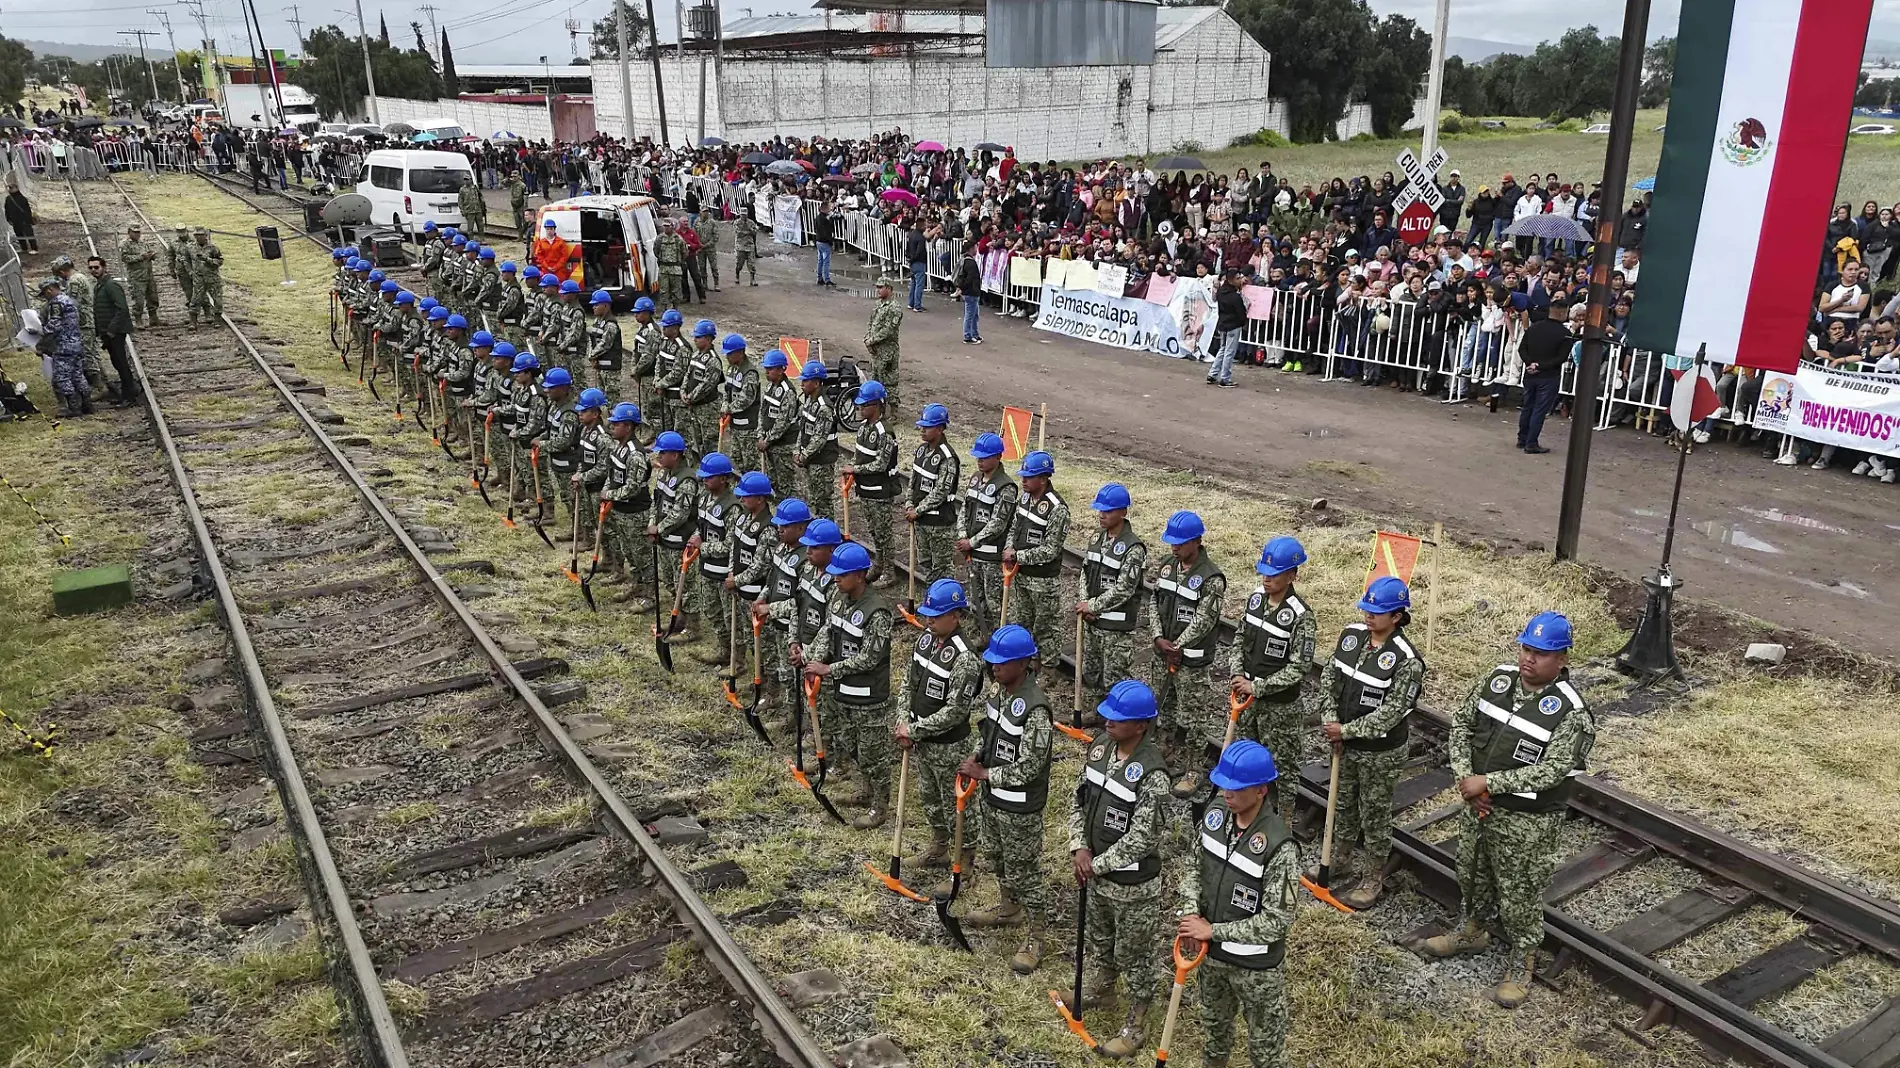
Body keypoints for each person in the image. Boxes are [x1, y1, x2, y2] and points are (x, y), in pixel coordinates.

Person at [1422, 611, 1595, 1008]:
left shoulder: (1571, 711)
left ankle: (1522, 960)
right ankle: (1472, 930)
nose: (1529, 659)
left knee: (1519, 893)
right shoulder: (1495, 680)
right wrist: (1468, 781)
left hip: (1528, 821)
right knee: (1470, 871)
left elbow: (1553, 770)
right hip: (1478, 806)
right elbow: (1462, 726)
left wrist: (1491, 784)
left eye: (1541, 653)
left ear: (1563, 659)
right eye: (1526, 649)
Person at [1177, 740, 1300, 1068]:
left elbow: (1278, 920)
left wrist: (1211, 930)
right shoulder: (1215, 815)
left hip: (1256, 969)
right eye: (1223, 785)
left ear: (1261, 790)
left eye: (1236, 788)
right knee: (1215, 1032)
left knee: (1266, 1048)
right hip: (1212, 959)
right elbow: (1193, 865)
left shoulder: (1281, 848)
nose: (1227, 793)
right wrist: (1190, 913)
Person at [1065, 679, 1170, 1058]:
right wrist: (1079, 847)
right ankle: (1103, 990)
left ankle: (1136, 1021)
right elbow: (1078, 800)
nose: (1108, 722)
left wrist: (1098, 864)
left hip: (1132, 884)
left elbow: (1144, 837)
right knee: (1101, 939)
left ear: (1141, 726)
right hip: (1095, 874)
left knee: (1135, 954)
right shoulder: (1099, 750)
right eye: (1108, 716)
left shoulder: (1153, 774)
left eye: (1118, 719)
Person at [1316, 576, 1425, 909]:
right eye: (1367, 609)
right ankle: (1341, 860)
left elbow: (1393, 713)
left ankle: (1373, 877)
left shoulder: (1407, 659)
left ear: (1397, 617)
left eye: (1378, 612)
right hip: (1345, 744)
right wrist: (1330, 720)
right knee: (1344, 805)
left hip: (1380, 753)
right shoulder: (1351, 637)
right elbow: (1329, 680)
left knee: (1375, 815)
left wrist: (1344, 731)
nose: (1369, 616)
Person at [958, 623, 1055, 974]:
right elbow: (990, 734)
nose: (994, 667)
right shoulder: (999, 695)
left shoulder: (1036, 710)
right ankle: (1008, 908)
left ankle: (1037, 934)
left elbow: (1031, 766)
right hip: (993, 799)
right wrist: (976, 758)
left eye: (1002, 662)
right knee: (998, 859)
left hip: (1020, 807)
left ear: (1024, 664)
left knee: (1024, 871)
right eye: (992, 662)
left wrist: (987, 774)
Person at [804, 540, 897, 830]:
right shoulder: (839, 600)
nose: (836, 578)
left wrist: (829, 669)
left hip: (869, 698)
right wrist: (812, 660)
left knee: (874, 755)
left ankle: (880, 806)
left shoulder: (878, 612)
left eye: (842, 574)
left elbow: (870, 658)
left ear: (859, 575)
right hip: (843, 692)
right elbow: (827, 633)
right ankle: (865, 792)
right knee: (851, 745)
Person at [899, 577, 984, 871]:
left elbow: (955, 712)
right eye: (927, 615)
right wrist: (904, 721)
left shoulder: (965, 658)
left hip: (950, 749)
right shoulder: (925, 639)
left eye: (936, 617)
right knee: (930, 799)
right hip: (922, 741)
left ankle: (966, 862)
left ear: (955, 616)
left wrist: (914, 729)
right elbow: (907, 685)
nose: (929, 621)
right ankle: (938, 848)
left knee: (957, 808)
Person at [1229, 537, 1315, 826]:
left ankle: (1285, 821)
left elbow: (1299, 668)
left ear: (1292, 576)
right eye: (1264, 572)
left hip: (1280, 709)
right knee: (1246, 758)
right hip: (1248, 701)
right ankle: (1251, 810)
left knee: (1284, 768)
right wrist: (1237, 673)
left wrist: (1258, 687)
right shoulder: (1255, 600)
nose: (1267, 579)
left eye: (1275, 574)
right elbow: (1239, 637)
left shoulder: (1301, 617)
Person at [1147, 510, 1226, 797]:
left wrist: (1177, 646)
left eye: (1180, 542)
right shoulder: (1168, 566)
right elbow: (1153, 603)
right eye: (1172, 541)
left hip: (1191, 662)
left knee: (1194, 719)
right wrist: (1158, 638)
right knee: (1163, 706)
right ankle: (1163, 750)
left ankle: (1195, 769)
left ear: (1197, 541)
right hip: (1163, 653)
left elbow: (1204, 620)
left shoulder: (1212, 579)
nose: (1174, 546)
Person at [1076, 483, 1146, 716]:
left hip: (1116, 627)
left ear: (1123, 512)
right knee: (1092, 670)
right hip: (1093, 621)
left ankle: (1118, 717)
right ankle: (1097, 713)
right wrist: (1085, 603)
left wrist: (1093, 605)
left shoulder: (1133, 548)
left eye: (1109, 510)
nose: (1102, 514)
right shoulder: (1097, 538)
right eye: (1100, 510)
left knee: (1115, 677)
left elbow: (1125, 588)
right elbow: (1085, 572)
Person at [751, 498, 817, 730]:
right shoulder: (781, 548)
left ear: (801, 528)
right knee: (781, 671)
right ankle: (785, 711)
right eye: (779, 525)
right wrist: (763, 596)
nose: (780, 529)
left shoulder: (806, 560)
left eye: (785, 526)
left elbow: (801, 602)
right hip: (776, 624)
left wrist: (771, 609)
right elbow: (773, 578)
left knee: (793, 677)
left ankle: (796, 720)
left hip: (792, 627)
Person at [1003, 449, 1070, 672]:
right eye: (1023, 476)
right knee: (1022, 622)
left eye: (1028, 477)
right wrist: (1009, 548)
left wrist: (1018, 556)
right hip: (1021, 575)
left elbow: (1050, 550)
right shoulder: (1024, 499)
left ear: (1043, 479)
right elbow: (1014, 526)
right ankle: (1029, 661)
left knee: (1046, 627)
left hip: (1043, 581)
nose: (1023, 480)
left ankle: (1050, 668)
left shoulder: (1057, 509)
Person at [957, 432, 1018, 646]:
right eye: (978, 457)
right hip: (972, 554)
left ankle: (1001, 642)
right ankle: (981, 635)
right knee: (976, 599)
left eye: (985, 457)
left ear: (998, 457)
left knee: (995, 604)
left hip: (991, 557)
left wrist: (971, 542)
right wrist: (962, 535)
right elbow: (965, 508)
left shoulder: (1006, 487)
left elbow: (998, 523)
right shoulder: (975, 478)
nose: (980, 460)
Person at [597, 401, 656, 607]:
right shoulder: (617, 447)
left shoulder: (636, 455)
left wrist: (610, 494)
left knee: (642, 556)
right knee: (628, 552)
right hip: (619, 509)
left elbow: (633, 487)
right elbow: (612, 475)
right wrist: (608, 493)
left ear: (629, 427)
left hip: (635, 512)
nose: (611, 426)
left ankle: (650, 595)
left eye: (616, 424)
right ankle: (636, 584)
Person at [648, 430, 706, 640]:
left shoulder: (687, 480)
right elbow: (658, 501)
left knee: (687, 586)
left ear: (675, 455)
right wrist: (653, 524)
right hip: (665, 540)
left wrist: (660, 528)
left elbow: (680, 513)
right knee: (671, 583)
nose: (659, 457)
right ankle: (678, 619)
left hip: (681, 540)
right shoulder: (664, 474)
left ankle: (692, 629)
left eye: (662, 453)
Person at [844, 380, 900, 588]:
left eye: (864, 405)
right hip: (865, 489)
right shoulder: (863, 428)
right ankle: (878, 564)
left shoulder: (885, 432)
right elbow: (861, 457)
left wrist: (855, 470)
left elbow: (880, 464)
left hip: (880, 491)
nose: (860, 409)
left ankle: (888, 571)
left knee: (884, 533)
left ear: (876, 406)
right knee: (874, 531)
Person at [690, 451, 741, 670]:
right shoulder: (703, 497)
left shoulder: (733, 507)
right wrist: (696, 538)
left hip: (724, 571)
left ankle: (737, 660)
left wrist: (704, 547)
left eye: (709, 477)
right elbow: (701, 526)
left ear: (723, 479)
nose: (704, 480)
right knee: (712, 611)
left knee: (732, 619)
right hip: (706, 568)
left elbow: (731, 545)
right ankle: (723, 650)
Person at [907, 403, 961, 590]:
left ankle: (945, 600)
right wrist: (908, 504)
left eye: (927, 427)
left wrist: (917, 510)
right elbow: (913, 481)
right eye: (922, 426)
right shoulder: (921, 450)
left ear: (939, 429)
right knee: (926, 562)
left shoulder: (948, 457)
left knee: (942, 568)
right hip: (921, 521)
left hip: (940, 524)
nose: (922, 430)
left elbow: (940, 492)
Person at [1516, 301, 1570, 454]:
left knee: (1527, 406)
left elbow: (1522, 349)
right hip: (1548, 375)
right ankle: (1531, 442)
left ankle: (1522, 438)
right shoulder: (1564, 334)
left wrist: (1530, 364)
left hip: (1530, 373)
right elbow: (1561, 358)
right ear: (1562, 313)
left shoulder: (1534, 328)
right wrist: (1539, 366)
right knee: (1539, 410)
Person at [508, 355, 554, 520]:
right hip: (523, 440)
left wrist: (518, 433)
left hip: (535, 441)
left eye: (519, 373)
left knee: (540, 478)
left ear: (528, 374)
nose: (515, 376)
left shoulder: (536, 395)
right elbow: (520, 413)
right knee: (528, 474)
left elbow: (535, 423)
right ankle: (534, 502)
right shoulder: (522, 390)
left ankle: (548, 511)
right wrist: (516, 429)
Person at [53, 255, 105, 401]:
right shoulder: (79, 277)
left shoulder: (74, 281)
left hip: (83, 322)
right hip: (85, 320)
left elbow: (72, 302)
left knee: (88, 354)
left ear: (62, 271)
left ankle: (99, 387)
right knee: (92, 352)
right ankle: (104, 383)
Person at [793, 361, 840, 520]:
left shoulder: (824, 408)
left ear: (817, 383)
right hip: (810, 460)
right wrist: (797, 451)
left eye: (806, 381)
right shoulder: (808, 401)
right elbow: (803, 428)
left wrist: (803, 456)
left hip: (822, 462)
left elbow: (819, 438)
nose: (802, 384)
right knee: (810, 499)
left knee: (822, 503)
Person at [37, 276, 90, 416]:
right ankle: (87, 403)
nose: (45, 297)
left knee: (62, 377)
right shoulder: (69, 300)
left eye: (44, 294)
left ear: (49, 290)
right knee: (78, 375)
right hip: (76, 343)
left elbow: (55, 325)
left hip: (63, 346)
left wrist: (40, 338)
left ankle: (73, 407)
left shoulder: (56, 303)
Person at [88, 256, 136, 406]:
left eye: (96, 267)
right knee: (117, 362)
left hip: (115, 332)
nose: (93, 270)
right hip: (108, 332)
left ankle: (130, 395)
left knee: (121, 363)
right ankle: (126, 393)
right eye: (91, 268)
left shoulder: (111, 285)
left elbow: (122, 309)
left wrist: (111, 330)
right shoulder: (100, 286)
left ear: (104, 267)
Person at [757, 348, 800, 496]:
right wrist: (760, 435)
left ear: (781, 370)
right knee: (773, 481)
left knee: (786, 485)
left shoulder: (788, 392)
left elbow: (783, 422)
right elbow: (762, 412)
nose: (767, 372)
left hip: (783, 446)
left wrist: (767, 440)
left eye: (770, 369)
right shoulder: (770, 386)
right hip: (770, 444)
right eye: (766, 368)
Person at [680, 319, 724, 461]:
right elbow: (688, 374)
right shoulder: (695, 355)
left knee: (709, 442)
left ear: (709, 339)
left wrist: (690, 397)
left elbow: (706, 386)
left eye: (699, 337)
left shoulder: (713, 361)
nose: (695, 340)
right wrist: (683, 392)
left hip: (708, 408)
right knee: (698, 440)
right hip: (695, 407)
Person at [865, 277, 904, 411]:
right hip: (876, 350)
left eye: (881, 287)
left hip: (888, 350)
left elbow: (888, 329)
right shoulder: (878, 304)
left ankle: (893, 410)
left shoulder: (895, 308)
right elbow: (871, 322)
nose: (878, 290)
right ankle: (877, 407)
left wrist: (872, 340)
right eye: (877, 287)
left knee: (889, 381)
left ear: (889, 289)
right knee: (875, 379)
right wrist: (868, 338)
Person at [720, 333, 761, 461]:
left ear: (741, 353)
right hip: (735, 423)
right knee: (736, 458)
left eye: (730, 353)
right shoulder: (732, 369)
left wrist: (728, 409)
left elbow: (746, 399)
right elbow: (727, 389)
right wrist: (725, 404)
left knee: (749, 461)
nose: (727, 356)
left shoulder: (749, 373)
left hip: (747, 426)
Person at [1209, 268, 1249, 388]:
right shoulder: (1235, 297)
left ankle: (1213, 373)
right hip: (1233, 325)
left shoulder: (1221, 292)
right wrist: (1242, 322)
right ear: (1231, 280)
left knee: (1223, 349)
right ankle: (1225, 378)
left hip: (1223, 324)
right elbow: (1241, 312)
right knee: (1229, 352)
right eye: (1237, 278)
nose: (1239, 280)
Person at [585, 289, 623, 405]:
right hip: (600, 366)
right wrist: (593, 357)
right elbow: (593, 340)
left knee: (612, 400)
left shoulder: (610, 324)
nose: (593, 307)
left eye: (596, 305)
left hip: (610, 368)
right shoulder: (598, 321)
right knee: (601, 400)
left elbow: (605, 344)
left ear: (606, 305)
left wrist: (592, 356)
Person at [118, 224, 160, 328]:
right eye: (135, 232)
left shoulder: (143, 242)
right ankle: (138, 320)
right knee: (138, 300)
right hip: (136, 277)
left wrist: (152, 255)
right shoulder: (125, 244)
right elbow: (125, 258)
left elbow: (148, 252)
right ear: (129, 232)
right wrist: (140, 257)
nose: (137, 234)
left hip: (148, 274)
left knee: (153, 297)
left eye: (138, 232)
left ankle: (153, 318)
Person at [188, 227, 224, 325]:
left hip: (212, 278)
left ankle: (217, 319)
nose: (198, 237)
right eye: (196, 235)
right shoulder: (190, 247)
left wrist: (208, 260)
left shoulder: (213, 248)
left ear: (205, 236)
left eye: (200, 235)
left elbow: (220, 261)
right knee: (195, 300)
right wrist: (190, 271)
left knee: (218, 299)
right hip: (198, 278)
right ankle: (193, 322)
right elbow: (186, 260)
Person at [958, 241, 984, 344]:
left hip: (970, 292)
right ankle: (968, 335)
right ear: (971, 249)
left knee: (973, 314)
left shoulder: (965, 260)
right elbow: (970, 278)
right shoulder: (970, 263)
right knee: (970, 314)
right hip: (971, 292)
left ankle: (974, 334)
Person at [167, 225, 195, 311]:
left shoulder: (194, 241)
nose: (181, 234)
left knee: (201, 292)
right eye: (179, 232)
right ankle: (192, 310)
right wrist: (172, 270)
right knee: (188, 291)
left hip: (195, 269)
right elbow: (170, 256)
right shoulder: (173, 243)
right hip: (182, 270)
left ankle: (207, 311)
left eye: (183, 231)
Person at [693, 206, 721, 292]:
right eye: (704, 212)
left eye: (707, 212)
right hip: (700, 249)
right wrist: (698, 245)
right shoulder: (696, 222)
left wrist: (708, 244)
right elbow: (694, 235)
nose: (706, 213)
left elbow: (716, 236)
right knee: (702, 267)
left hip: (710, 248)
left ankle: (716, 284)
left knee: (714, 266)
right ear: (700, 212)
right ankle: (704, 283)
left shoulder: (712, 222)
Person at [5, 178, 36, 254]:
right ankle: (24, 248)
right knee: (19, 234)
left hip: (24, 220)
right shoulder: (8, 199)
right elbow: (7, 209)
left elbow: (27, 210)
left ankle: (34, 248)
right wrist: (8, 219)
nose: (10, 190)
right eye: (9, 188)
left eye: (12, 188)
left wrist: (28, 220)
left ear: (16, 188)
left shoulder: (22, 199)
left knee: (29, 234)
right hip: (15, 221)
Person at [733, 214, 759, 286]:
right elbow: (738, 233)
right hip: (740, 246)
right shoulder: (737, 222)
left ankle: (752, 279)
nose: (744, 216)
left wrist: (749, 229)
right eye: (742, 215)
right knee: (739, 264)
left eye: (745, 215)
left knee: (751, 264)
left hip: (749, 245)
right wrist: (748, 232)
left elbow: (755, 232)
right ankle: (737, 276)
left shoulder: (751, 222)